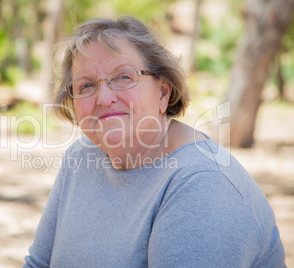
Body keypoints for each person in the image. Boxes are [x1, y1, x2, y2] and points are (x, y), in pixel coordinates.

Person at [23, 16, 285, 267]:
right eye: (86, 86)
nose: (103, 98)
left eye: (123, 77)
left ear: (162, 92)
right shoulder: (80, 156)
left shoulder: (201, 184)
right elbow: (39, 264)